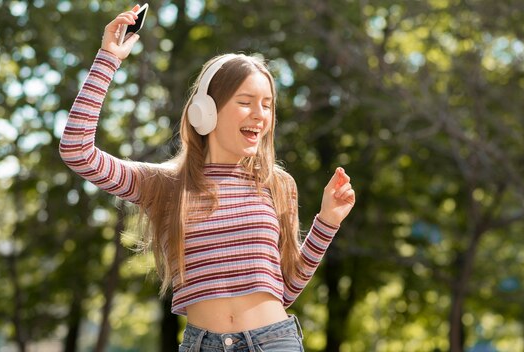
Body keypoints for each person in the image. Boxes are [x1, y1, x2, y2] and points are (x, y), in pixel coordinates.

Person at [59, 5, 355, 352]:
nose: (260, 115)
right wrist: (108, 58)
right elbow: (77, 151)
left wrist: (327, 222)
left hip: (274, 341)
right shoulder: (166, 185)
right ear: (206, 110)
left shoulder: (277, 184)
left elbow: (285, 289)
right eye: (245, 102)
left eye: (267, 104)